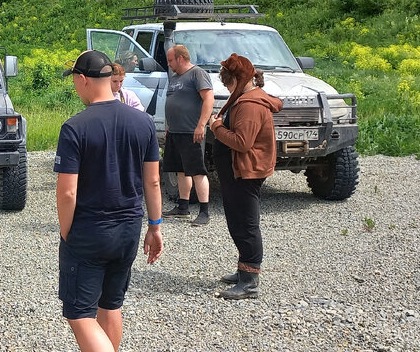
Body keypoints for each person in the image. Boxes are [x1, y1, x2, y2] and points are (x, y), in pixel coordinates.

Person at [56, 50, 163, 352]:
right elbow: (153, 181)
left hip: (89, 231)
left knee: (80, 315)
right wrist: (154, 226)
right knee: (110, 305)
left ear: (82, 79)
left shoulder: (75, 127)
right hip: (128, 229)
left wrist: (66, 232)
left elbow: (67, 193)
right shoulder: (143, 122)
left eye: (75, 81)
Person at [208, 53, 283, 300]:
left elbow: (242, 143)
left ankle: (250, 282)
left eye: (229, 83)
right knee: (238, 222)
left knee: (246, 224)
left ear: (238, 80)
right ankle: (244, 271)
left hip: (245, 172)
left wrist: (217, 127)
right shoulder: (244, 99)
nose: (228, 87)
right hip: (237, 171)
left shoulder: (250, 105)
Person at [161, 44, 216, 227]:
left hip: (191, 132)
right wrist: (169, 124)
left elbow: (208, 98)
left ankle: (204, 211)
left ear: (180, 58)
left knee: (197, 171)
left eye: (170, 60)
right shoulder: (176, 78)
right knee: (180, 170)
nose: (168, 64)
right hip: (175, 131)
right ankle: (182, 207)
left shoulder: (197, 74)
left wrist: (201, 125)